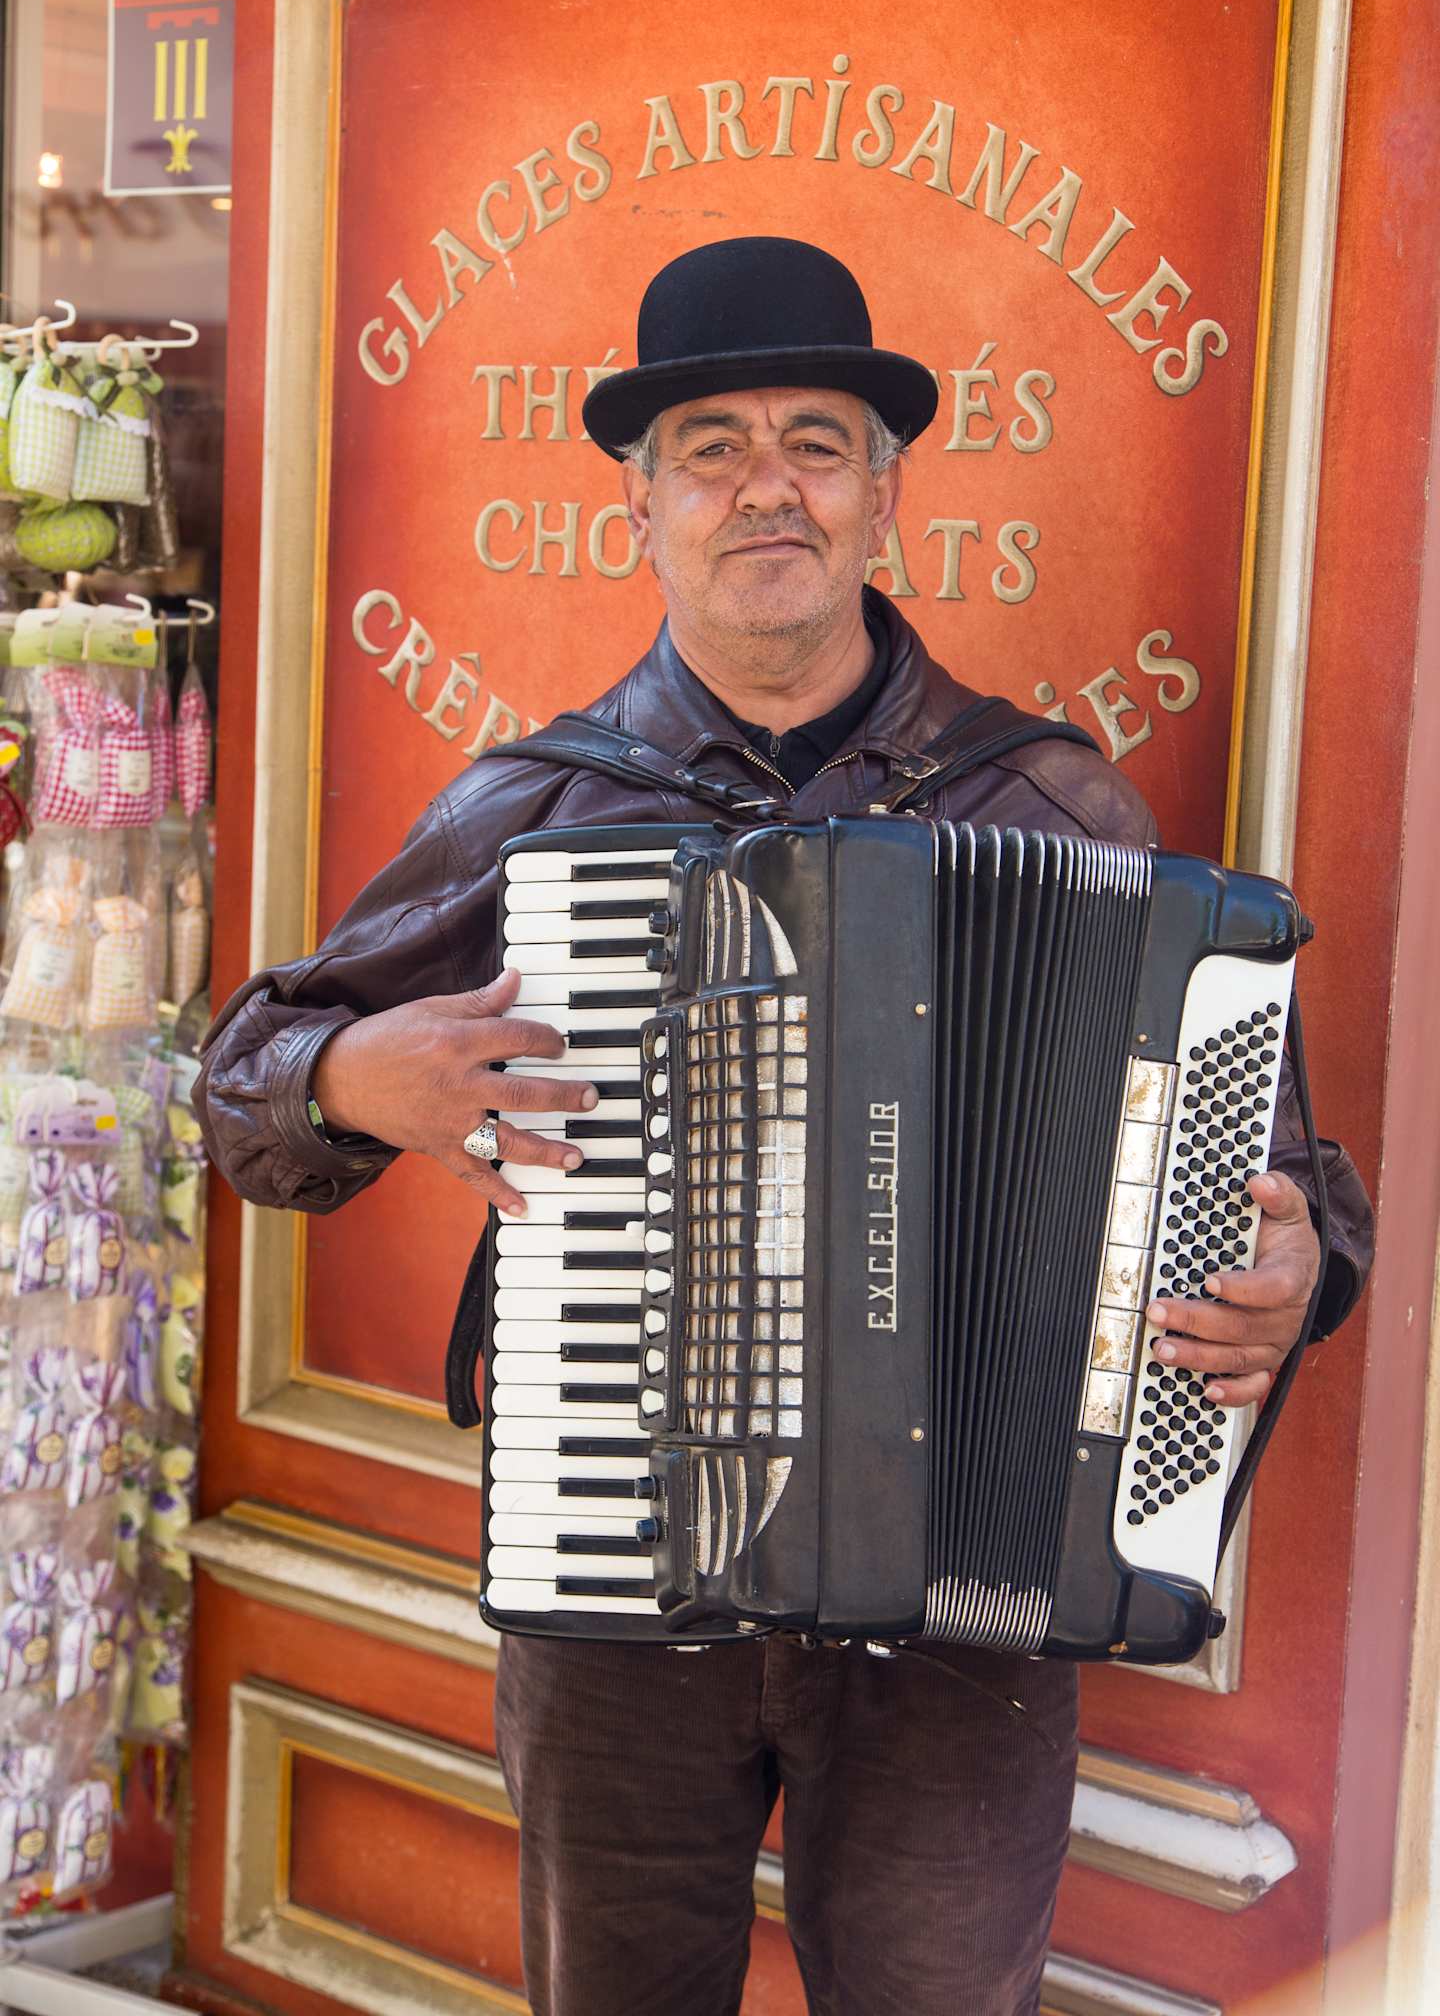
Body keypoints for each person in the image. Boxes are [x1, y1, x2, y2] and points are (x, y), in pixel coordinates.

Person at [197, 236, 1374, 2016]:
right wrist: (364, 1081)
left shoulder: (1048, 798)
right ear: (643, 506)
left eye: (816, 442)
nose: (770, 487)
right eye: (711, 447)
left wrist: (1301, 1262)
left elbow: (1301, 1181)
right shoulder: (545, 804)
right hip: (619, 1574)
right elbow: (244, 1077)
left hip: (963, 1624)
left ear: (884, 496)